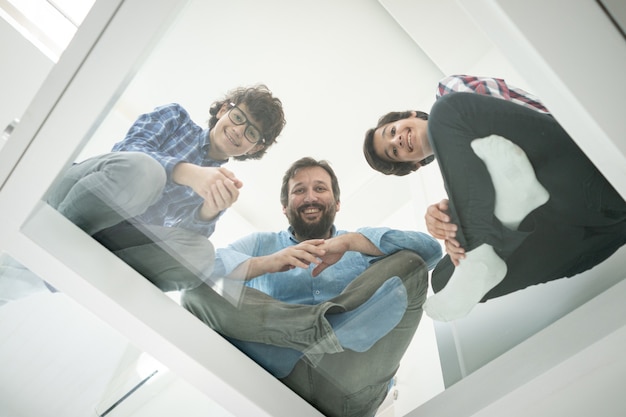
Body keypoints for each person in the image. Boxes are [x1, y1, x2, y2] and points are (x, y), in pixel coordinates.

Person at [181, 157, 442, 417]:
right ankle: (317, 330)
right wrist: (266, 263)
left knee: (411, 263)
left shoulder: (358, 245)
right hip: (281, 375)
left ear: (337, 203)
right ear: (284, 206)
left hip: (352, 380)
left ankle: (325, 331)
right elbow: (198, 273)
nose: (310, 197)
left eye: (320, 188)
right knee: (195, 288)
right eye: (299, 190)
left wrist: (351, 242)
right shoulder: (261, 244)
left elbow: (430, 252)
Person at [363, 74, 626, 322]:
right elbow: (471, 190)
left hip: (583, 169)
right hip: (592, 234)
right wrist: (453, 229)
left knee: (446, 112)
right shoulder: (459, 189)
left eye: (392, 131)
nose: (398, 140)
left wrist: (463, 217)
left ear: (411, 115)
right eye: (394, 152)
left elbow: (501, 118)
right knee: (443, 277)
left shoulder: (450, 93)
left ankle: (490, 235)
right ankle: (496, 232)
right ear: (416, 164)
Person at [47, 84, 286, 292]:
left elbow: (182, 243)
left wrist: (207, 213)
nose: (239, 130)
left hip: (117, 240)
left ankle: (97, 276)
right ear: (224, 110)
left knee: (202, 254)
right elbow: (128, 151)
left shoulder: (221, 186)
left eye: (252, 133)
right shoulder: (175, 117)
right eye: (238, 117)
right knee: (145, 171)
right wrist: (189, 173)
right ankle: (55, 237)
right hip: (81, 198)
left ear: (253, 148)